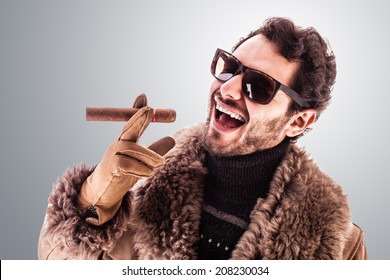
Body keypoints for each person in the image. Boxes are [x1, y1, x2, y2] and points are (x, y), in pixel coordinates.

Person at [38, 17, 367, 260]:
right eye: (230, 67)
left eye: (258, 86)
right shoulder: (138, 189)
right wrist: (94, 201)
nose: (227, 88)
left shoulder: (342, 245)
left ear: (299, 121)